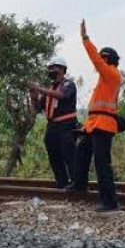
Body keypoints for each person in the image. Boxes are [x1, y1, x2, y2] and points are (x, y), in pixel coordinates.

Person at [66, 20, 123, 213]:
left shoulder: (113, 75)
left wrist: (85, 38)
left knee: (101, 164)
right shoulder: (105, 80)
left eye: (103, 58)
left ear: (110, 60)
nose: (100, 60)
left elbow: (96, 60)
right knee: (82, 154)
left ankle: (110, 201)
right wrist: (85, 125)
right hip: (95, 124)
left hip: (104, 125)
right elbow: (97, 108)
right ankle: (79, 184)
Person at [29, 57, 78, 188]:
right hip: (52, 126)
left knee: (68, 154)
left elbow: (61, 95)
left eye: (53, 68)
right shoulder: (49, 89)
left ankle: (76, 182)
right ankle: (61, 182)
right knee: (54, 155)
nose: (51, 71)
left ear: (62, 69)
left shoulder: (69, 84)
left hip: (67, 125)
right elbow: (38, 108)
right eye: (49, 68)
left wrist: (39, 88)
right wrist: (33, 96)